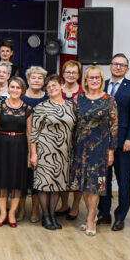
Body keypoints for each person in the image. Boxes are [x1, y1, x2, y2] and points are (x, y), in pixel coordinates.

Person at [68, 66, 118, 236]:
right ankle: (92, 214)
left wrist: (111, 150)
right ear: (86, 80)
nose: (94, 80)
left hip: (100, 148)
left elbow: (113, 128)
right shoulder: (78, 99)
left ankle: (90, 219)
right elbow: (73, 123)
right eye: (91, 78)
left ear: (101, 80)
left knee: (95, 185)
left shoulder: (109, 100)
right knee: (83, 184)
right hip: (80, 147)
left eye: (97, 78)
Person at [97, 53, 130, 232]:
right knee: (104, 180)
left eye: (122, 65)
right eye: (115, 64)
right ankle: (104, 213)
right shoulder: (102, 85)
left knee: (123, 180)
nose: (118, 67)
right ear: (110, 66)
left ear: (127, 69)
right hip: (102, 141)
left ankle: (120, 217)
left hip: (124, 142)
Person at [30, 74, 75, 231]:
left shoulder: (71, 106)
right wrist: (33, 153)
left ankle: (52, 215)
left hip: (64, 151)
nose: (51, 89)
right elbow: (34, 132)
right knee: (44, 184)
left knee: (57, 184)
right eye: (48, 87)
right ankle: (46, 216)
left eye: (54, 85)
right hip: (45, 150)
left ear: (62, 86)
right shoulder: (42, 106)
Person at [0, 77, 33, 228]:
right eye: (12, 87)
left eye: (18, 87)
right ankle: (2, 213)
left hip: (20, 146)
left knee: (16, 181)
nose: (14, 90)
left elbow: (29, 133)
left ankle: (12, 213)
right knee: (2, 180)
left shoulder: (28, 109)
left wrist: (30, 154)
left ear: (22, 90)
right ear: (8, 88)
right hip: (1, 145)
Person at [21, 66, 49, 223]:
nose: (37, 80)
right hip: (22, 142)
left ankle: (35, 210)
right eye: (34, 77)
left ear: (44, 81)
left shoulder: (48, 98)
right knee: (22, 178)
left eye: (40, 78)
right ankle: (20, 209)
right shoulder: (21, 97)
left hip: (44, 143)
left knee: (37, 179)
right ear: (28, 80)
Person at [58, 60, 83, 220]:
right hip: (60, 139)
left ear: (79, 75)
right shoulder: (57, 90)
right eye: (68, 72)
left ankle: (75, 206)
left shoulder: (83, 92)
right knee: (62, 172)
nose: (71, 75)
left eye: (74, 72)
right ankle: (64, 204)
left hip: (79, 139)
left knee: (77, 173)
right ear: (63, 73)